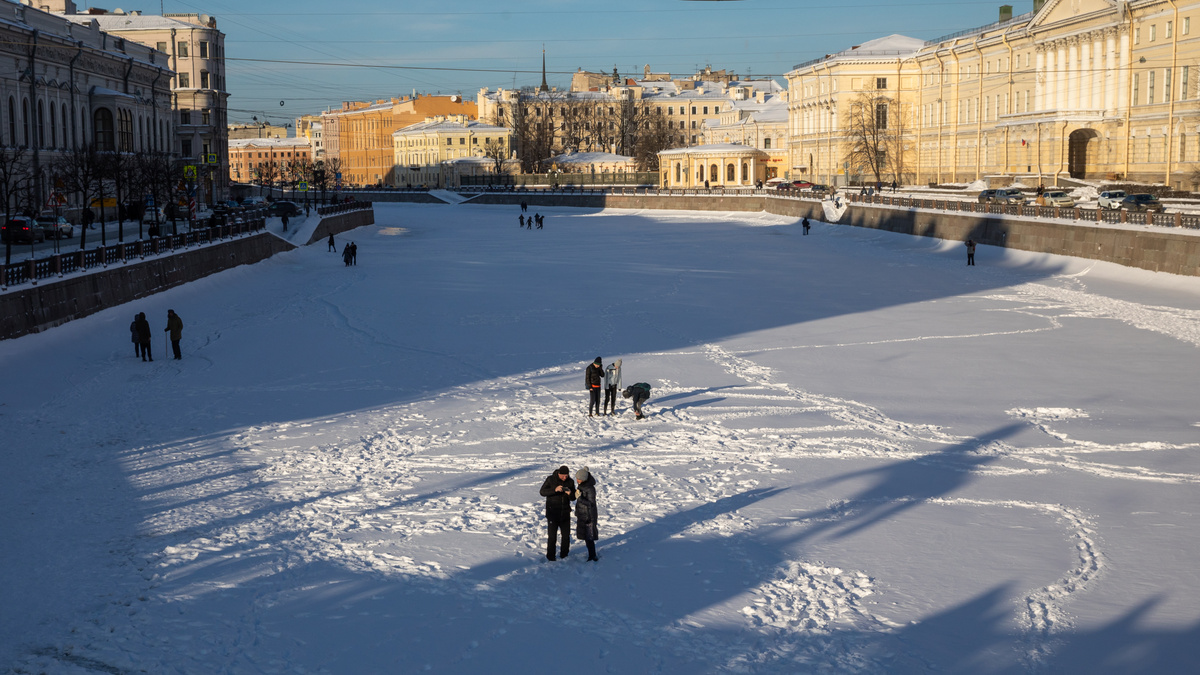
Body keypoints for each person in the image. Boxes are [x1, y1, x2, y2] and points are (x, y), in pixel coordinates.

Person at [539, 465, 576, 561]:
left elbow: (574, 497)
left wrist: (570, 494)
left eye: (566, 475)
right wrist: (554, 490)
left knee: (566, 536)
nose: (565, 477)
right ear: (559, 473)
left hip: (565, 513)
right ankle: (550, 556)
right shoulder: (551, 479)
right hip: (552, 514)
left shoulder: (570, 482)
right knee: (552, 537)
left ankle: (564, 555)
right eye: (563, 475)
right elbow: (542, 492)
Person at [574, 466, 599, 561]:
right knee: (586, 537)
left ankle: (593, 556)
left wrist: (579, 498)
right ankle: (591, 555)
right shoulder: (582, 485)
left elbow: (591, 504)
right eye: (577, 478)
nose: (577, 480)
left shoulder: (590, 489)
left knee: (589, 537)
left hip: (589, 516)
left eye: (579, 479)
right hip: (583, 514)